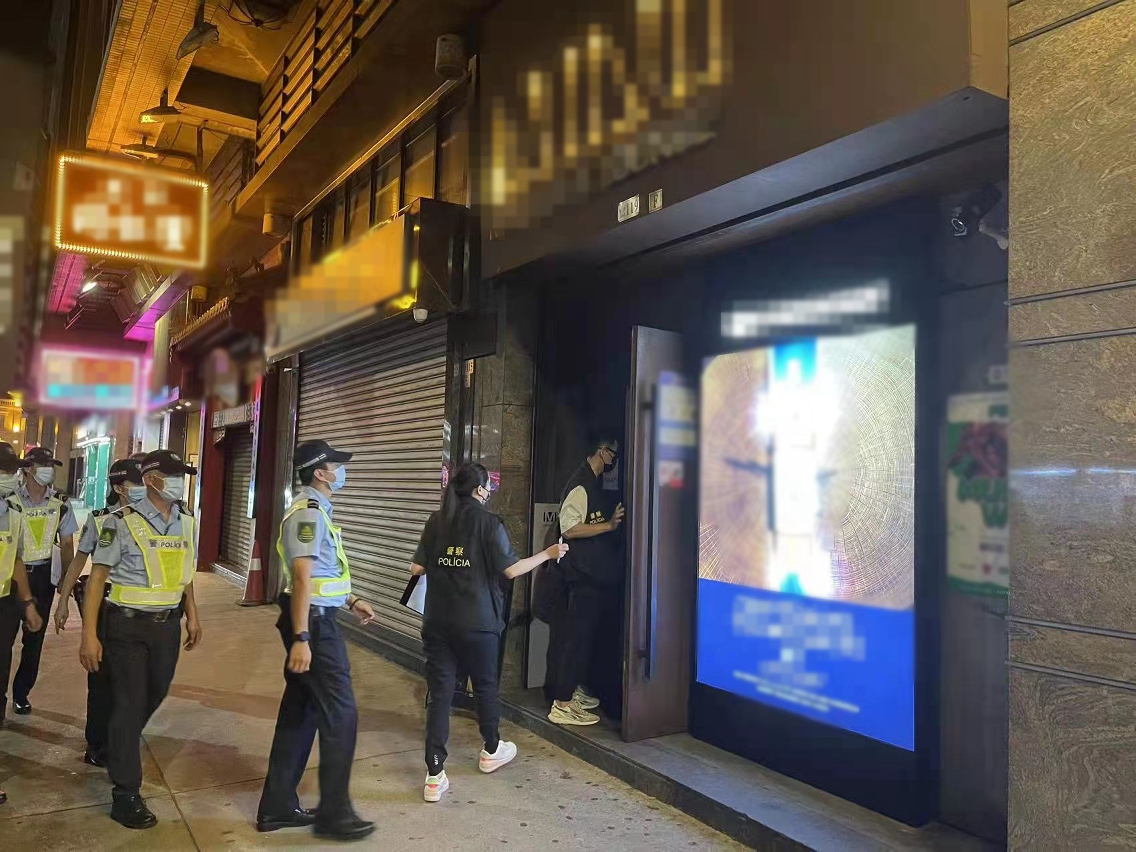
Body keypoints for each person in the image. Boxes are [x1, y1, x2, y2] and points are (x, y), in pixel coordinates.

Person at [410, 463, 569, 803]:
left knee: (440, 694)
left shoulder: (436, 520)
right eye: (489, 487)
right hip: (477, 622)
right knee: (484, 686)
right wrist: (548, 553)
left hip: (437, 622)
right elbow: (511, 570)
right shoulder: (488, 523)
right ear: (480, 490)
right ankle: (491, 750)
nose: (490, 492)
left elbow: (416, 567)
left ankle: (434, 775)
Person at [258, 439, 377, 841]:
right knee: (341, 715)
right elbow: (302, 578)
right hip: (313, 626)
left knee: (301, 712)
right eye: (336, 466)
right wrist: (302, 637)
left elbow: (324, 572)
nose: (342, 471)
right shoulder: (307, 513)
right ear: (321, 472)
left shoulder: (319, 510)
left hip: (318, 618)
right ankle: (334, 815)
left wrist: (351, 599)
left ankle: (277, 806)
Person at [80, 449, 203, 830]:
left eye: (182, 475)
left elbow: (185, 572)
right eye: (172, 475)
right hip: (126, 628)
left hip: (167, 626)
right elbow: (97, 579)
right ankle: (126, 794)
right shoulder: (119, 523)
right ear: (151, 479)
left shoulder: (187, 522)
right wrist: (88, 636)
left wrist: (193, 613)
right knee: (130, 705)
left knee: (154, 695)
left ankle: (118, 742)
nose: (179, 482)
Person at [54, 458, 146, 767]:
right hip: (107, 605)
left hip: (140, 608)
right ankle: (97, 745)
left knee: (133, 679)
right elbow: (79, 563)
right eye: (137, 483)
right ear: (120, 488)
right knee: (102, 678)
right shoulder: (101, 520)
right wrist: (63, 602)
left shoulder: (153, 519)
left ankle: (122, 738)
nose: (144, 488)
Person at [547, 436, 625, 726]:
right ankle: (563, 703)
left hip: (589, 574)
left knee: (581, 637)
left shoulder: (592, 483)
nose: (614, 461)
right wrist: (609, 525)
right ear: (602, 452)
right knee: (575, 639)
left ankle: (570, 691)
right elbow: (569, 529)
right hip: (580, 575)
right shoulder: (581, 484)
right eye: (613, 455)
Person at [6, 446, 77, 716]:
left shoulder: (60, 503)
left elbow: (67, 543)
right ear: (27, 468)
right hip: (12, 577)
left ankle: (21, 693)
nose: (48, 470)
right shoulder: (11, 499)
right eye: (42, 464)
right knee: (5, 639)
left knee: (34, 641)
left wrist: (66, 582)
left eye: (51, 465)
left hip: (44, 578)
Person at [0, 442, 45, 728]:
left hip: (5, 600)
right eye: (3, 470)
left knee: (1, 663)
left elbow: (16, 558)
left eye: (10, 471)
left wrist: (28, 604)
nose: (9, 476)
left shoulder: (14, 511)